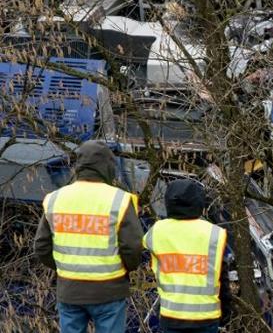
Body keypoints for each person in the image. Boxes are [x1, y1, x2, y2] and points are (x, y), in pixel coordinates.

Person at [34, 140, 144, 333]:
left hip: (69, 290)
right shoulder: (120, 200)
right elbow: (132, 247)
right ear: (108, 166)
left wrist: (63, 267)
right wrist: (125, 270)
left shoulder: (55, 199)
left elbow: (41, 246)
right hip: (110, 290)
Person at [143, 179, 231, 333]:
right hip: (206, 318)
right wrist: (225, 313)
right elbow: (222, 278)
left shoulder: (157, 231)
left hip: (171, 317)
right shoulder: (214, 234)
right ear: (199, 203)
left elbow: (134, 252)